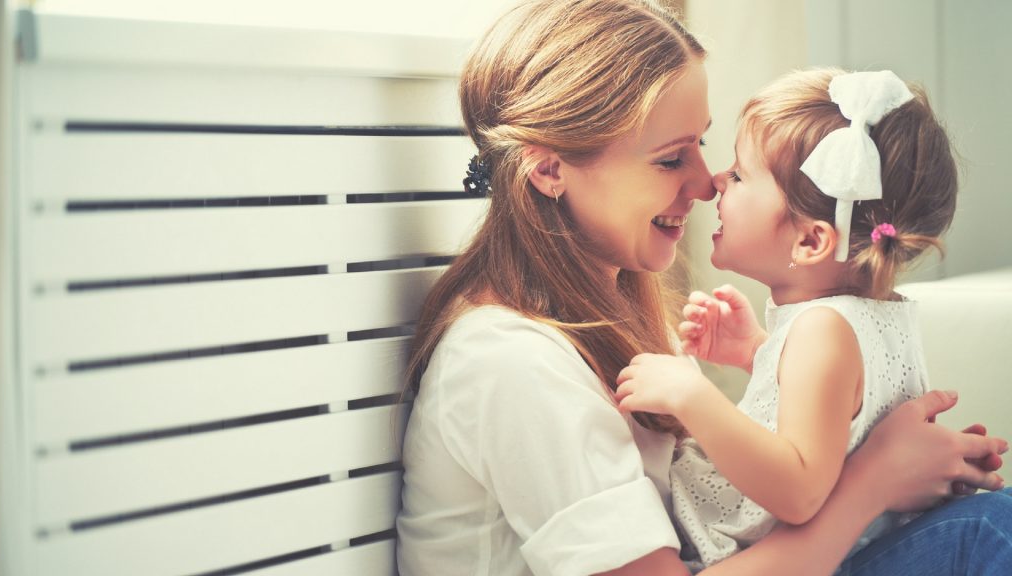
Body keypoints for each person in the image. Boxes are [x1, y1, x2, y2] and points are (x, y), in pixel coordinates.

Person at [395, 1, 1010, 575]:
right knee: (989, 528)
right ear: (551, 168)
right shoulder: (513, 362)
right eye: (670, 159)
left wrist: (776, 366)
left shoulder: (619, 320)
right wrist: (874, 481)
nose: (707, 183)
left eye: (703, 145)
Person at [612, 68, 991, 571]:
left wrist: (693, 396)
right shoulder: (872, 316)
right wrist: (759, 353)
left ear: (811, 241)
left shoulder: (821, 331)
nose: (718, 181)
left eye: (742, 174)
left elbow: (798, 492)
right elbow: (841, 424)